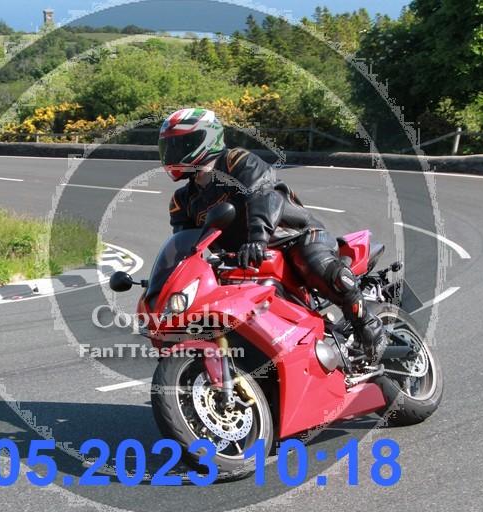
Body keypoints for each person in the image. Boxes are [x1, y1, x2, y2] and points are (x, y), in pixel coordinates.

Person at [158, 108, 385, 362]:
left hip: (294, 237)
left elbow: (262, 194)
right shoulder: (182, 201)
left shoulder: (237, 162)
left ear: (206, 139)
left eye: (182, 144)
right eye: (170, 146)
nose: (173, 153)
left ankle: (367, 325)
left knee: (316, 264)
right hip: (244, 259)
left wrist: (257, 239)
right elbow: (185, 246)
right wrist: (167, 279)